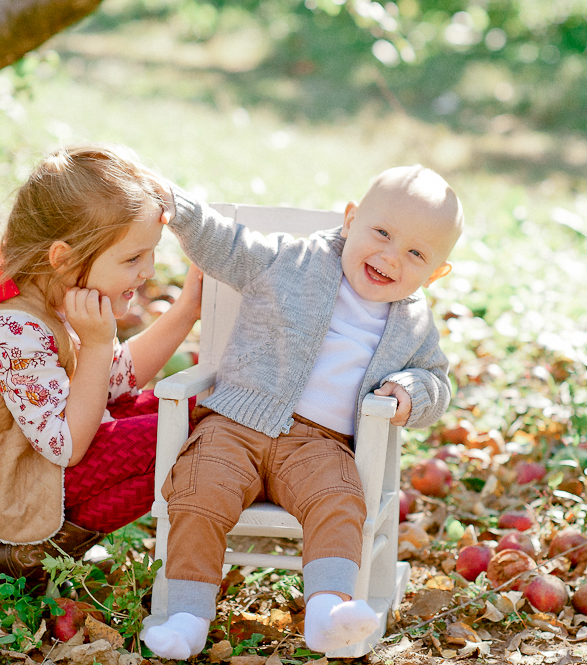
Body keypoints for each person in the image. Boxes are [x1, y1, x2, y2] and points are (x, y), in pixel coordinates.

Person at [141, 165, 463, 657]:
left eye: (416, 253)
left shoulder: (415, 321)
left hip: (321, 443)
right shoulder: (294, 260)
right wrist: (178, 207)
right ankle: (187, 616)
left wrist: (410, 389)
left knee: (341, 500)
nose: (390, 257)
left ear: (435, 273)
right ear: (351, 219)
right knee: (198, 489)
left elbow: (437, 381)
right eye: (381, 233)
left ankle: (327, 613)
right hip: (236, 422)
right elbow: (227, 244)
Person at [0, 143, 202, 591]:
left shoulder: (50, 293)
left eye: (149, 254)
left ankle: (25, 554)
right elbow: (66, 446)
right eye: (132, 258)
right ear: (63, 258)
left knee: (185, 409)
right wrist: (96, 347)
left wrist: (187, 309)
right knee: (184, 430)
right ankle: (28, 554)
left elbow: (111, 384)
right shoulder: (11, 327)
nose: (148, 270)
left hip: (32, 455)